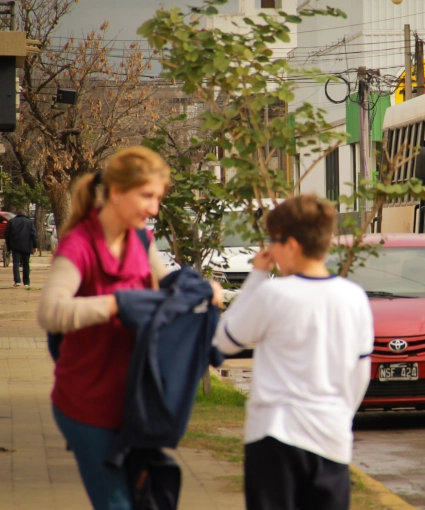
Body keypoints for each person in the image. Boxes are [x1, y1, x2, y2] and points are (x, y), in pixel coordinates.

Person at [36, 146, 224, 510]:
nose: (153, 209)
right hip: (87, 405)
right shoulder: (79, 245)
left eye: (158, 198)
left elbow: (167, 286)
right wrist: (116, 304)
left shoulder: (141, 239)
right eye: (147, 196)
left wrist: (200, 291)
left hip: (135, 405)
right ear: (117, 192)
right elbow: (51, 313)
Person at [212, 194, 374, 510]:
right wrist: (339, 416)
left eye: (273, 240)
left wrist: (257, 276)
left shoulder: (273, 293)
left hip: (275, 436)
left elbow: (223, 341)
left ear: (292, 245)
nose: (269, 248)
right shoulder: (355, 298)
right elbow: (360, 376)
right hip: (332, 437)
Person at [4, 205, 39, 288]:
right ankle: (26, 282)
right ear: (25, 213)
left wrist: (9, 245)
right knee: (26, 264)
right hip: (27, 245)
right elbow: (33, 234)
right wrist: (35, 245)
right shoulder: (29, 222)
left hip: (15, 245)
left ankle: (17, 281)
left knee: (16, 263)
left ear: (17, 214)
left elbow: (7, 234)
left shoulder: (12, 221)